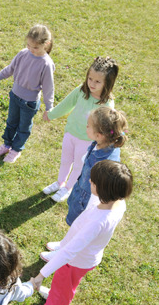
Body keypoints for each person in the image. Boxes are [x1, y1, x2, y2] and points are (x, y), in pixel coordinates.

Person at [27, 160, 133, 305]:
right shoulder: (117, 203)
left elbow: (69, 252)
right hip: (83, 258)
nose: (90, 181)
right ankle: (55, 296)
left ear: (102, 189)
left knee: (64, 288)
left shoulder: (97, 222)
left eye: (93, 181)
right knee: (62, 284)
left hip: (76, 261)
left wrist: (40, 276)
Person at [41, 56, 119, 202]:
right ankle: (59, 182)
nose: (92, 84)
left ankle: (68, 188)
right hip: (70, 133)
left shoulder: (107, 104)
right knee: (65, 160)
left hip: (87, 141)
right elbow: (66, 104)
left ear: (107, 82)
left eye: (97, 81)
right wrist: (51, 115)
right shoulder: (82, 91)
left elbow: (108, 125)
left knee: (78, 165)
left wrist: (103, 141)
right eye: (90, 78)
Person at [0, 24, 55, 163]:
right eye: (29, 45)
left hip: (29, 103)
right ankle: (6, 145)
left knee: (23, 127)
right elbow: (9, 70)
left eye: (35, 47)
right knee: (11, 122)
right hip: (15, 95)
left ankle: (16, 150)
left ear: (46, 45)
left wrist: (49, 107)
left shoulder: (46, 64)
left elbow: (48, 88)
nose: (31, 49)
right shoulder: (23, 53)